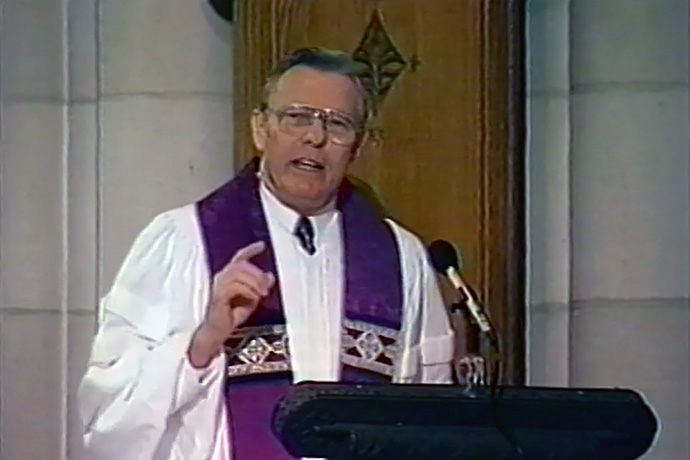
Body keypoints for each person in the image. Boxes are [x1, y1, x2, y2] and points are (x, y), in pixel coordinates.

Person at [78, 47, 454, 460]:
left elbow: (430, 419)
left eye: (338, 124)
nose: (315, 137)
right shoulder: (183, 242)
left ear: (358, 147)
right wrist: (202, 342)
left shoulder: (402, 259)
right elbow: (107, 418)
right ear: (260, 129)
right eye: (296, 117)